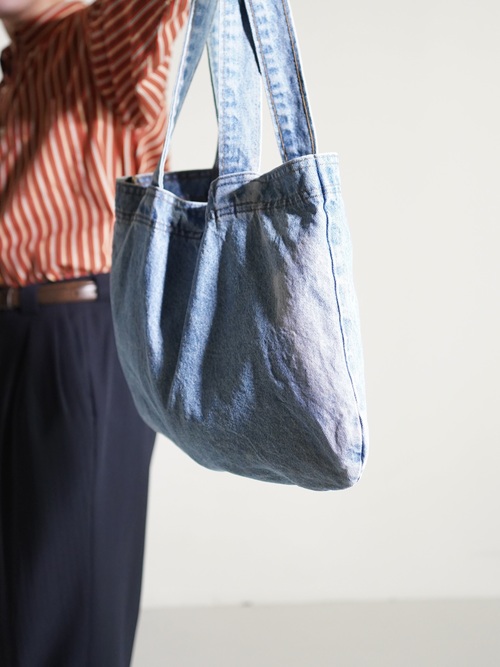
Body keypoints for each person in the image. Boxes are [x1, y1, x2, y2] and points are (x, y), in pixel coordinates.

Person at [0, 0, 187, 664]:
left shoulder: (102, 38)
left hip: (77, 338)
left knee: (70, 600)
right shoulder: (21, 65)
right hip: (22, 336)